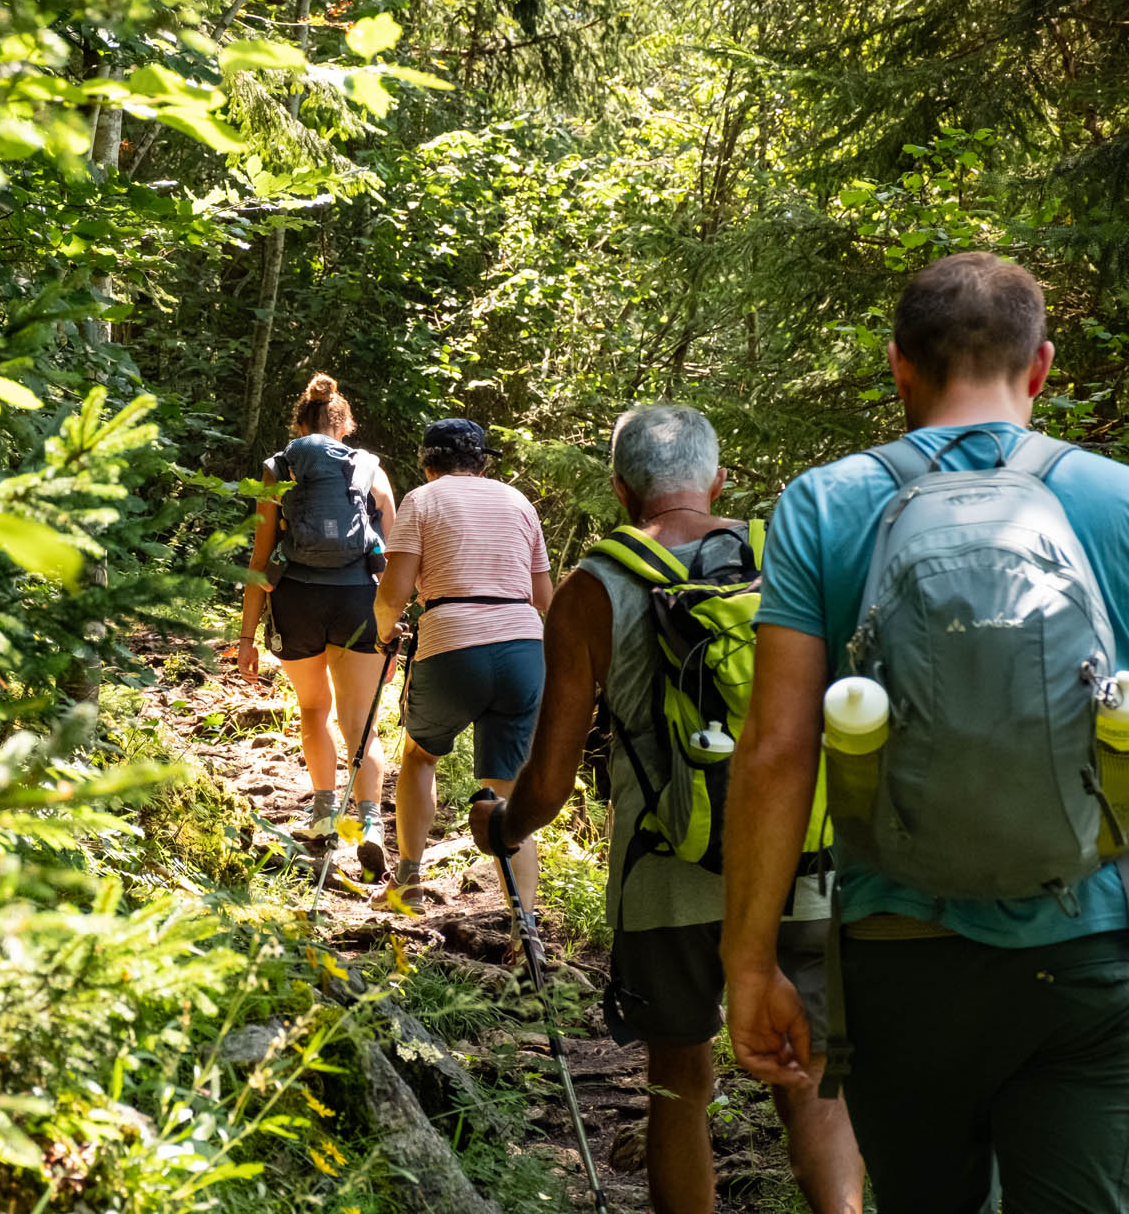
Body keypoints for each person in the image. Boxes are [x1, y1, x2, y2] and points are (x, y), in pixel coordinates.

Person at [723, 252, 1129, 1212]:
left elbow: (778, 749)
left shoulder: (825, 502)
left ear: (899, 365)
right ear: (1041, 369)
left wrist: (750, 963)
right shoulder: (1116, 500)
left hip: (899, 948)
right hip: (1092, 946)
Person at [470, 405, 863, 1213]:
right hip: (802, 854)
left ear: (620, 490)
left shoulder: (589, 592)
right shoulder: (790, 558)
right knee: (811, 1071)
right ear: (720, 481)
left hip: (665, 869)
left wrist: (500, 829)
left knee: (679, 1079)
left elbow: (546, 782)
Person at [372, 418, 551, 912]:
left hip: (452, 640)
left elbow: (394, 593)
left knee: (419, 756)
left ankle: (408, 882)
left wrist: (386, 631)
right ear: (482, 460)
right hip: (522, 645)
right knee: (507, 790)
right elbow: (544, 598)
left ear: (426, 462)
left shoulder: (422, 501)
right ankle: (525, 923)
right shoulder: (519, 503)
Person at [239, 374, 398, 872]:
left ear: (300, 421)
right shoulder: (370, 468)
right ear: (344, 425)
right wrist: (391, 631)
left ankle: (325, 814)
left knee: (313, 708)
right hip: (359, 603)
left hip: (297, 600)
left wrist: (246, 636)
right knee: (361, 722)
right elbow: (390, 560)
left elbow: (261, 556)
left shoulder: (279, 468)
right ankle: (370, 822)